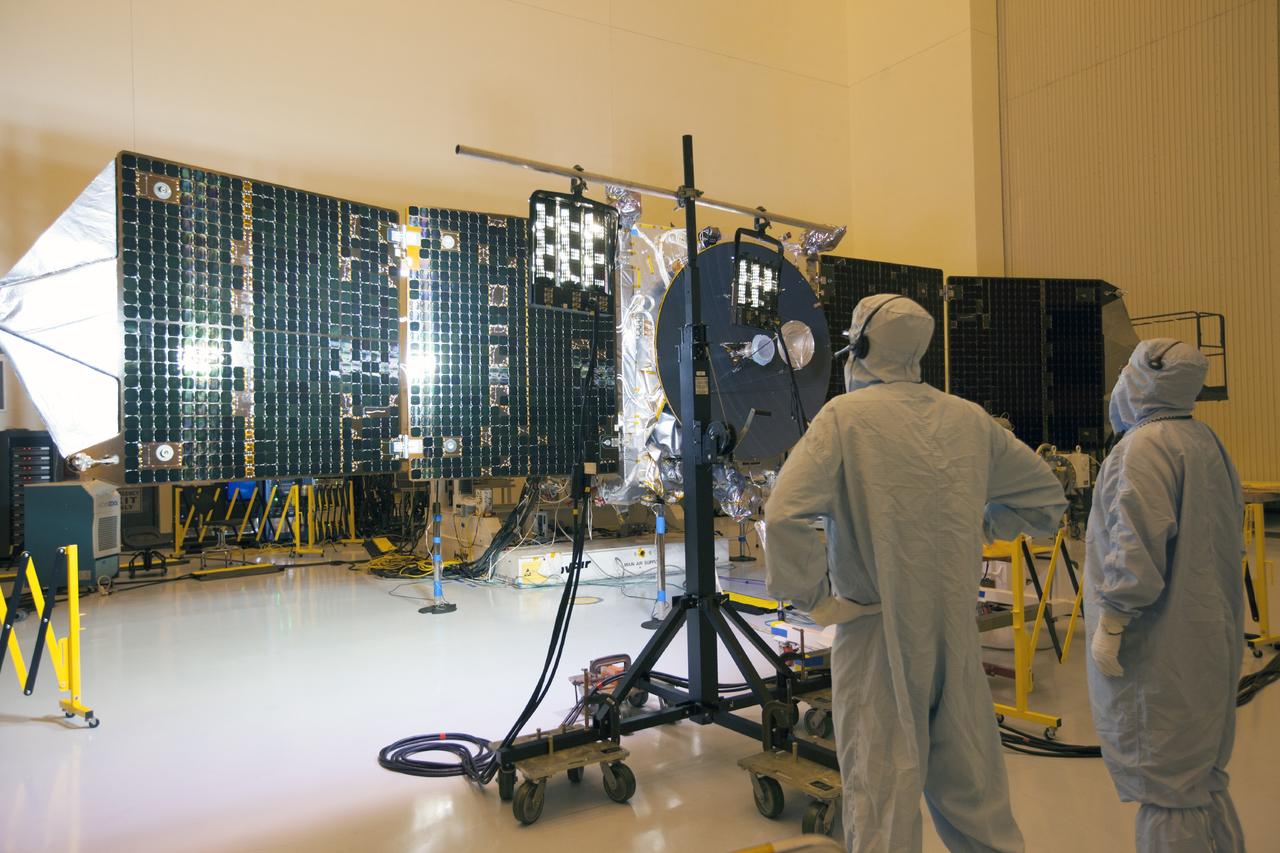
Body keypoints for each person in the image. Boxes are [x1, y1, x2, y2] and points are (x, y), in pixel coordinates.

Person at [763, 294, 1067, 852]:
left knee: (881, 799)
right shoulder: (967, 419)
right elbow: (1047, 498)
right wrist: (977, 524)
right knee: (976, 796)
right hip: (954, 627)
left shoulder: (844, 420)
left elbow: (784, 513)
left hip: (877, 634)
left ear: (863, 345)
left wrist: (819, 601)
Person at [1084, 339, 1246, 852]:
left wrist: (1111, 625)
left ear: (1143, 379)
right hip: (1207, 639)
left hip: (1159, 648)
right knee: (1197, 779)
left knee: (1165, 786)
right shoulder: (1203, 440)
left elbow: (1136, 547)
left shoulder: (1142, 450)